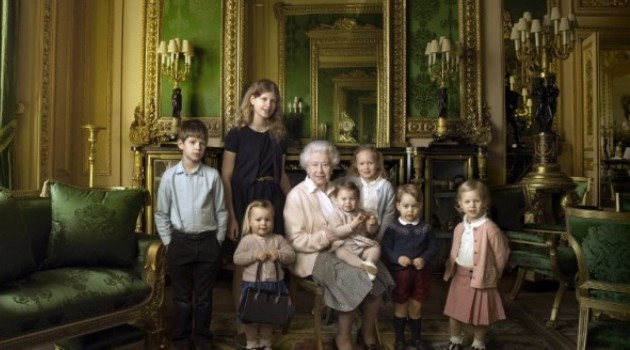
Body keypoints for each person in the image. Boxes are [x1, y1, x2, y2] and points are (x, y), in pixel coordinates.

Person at [283, 140, 394, 350]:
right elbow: (296, 241)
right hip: (313, 256)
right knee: (352, 277)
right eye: (314, 164)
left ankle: (367, 332)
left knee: (379, 274)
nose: (320, 170)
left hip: (347, 249)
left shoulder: (340, 190)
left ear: (333, 166)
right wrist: (328, 237)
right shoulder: (296, 196)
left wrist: (368, 224)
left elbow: (356, 224)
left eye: (325, 164)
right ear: (306, 166)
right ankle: (342, 338)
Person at [221, 79, 292, 337]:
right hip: (243, 199)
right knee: (244, 262)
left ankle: (270, 316)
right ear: (252, 100)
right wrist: (231, 214)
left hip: (271, 197)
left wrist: (292, 202)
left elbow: (282, 174)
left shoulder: (278, 135)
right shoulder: (237, 134)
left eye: (273, 101)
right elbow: (226, 175)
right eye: (263, 99)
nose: (268, 105)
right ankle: (244, 321)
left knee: (274, 258)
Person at [154, 119, 227, 350]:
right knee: (182, 298)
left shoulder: (213, 176)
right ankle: (181, 339)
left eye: (202, 143)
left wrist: (218, 241)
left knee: (204, 298)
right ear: (180, 144)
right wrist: (169, 242)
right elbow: (161, 213)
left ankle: (203, 338)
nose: (198, 147)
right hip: (180, 243)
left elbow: (221, 211)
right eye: (193, 142)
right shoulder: (169, 178)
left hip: (208, 243)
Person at [443, 180, 510, 350]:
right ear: (460, 204)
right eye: (467, 201)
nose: (472, 205)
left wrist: (495, 274)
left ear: (485, 203)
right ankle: (455, 339)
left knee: (481, 314)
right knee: (454, 311)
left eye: (476, 201)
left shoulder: (490, 228)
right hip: (460, 275)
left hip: (482, 277)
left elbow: (502, 254)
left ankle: (478, 343)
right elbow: (455, 251)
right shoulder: (459, 227)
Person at [233, 200, 296, 350]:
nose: (263, 223)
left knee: (269, 318)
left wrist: (279, 254)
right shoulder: (247, 240)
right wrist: (255, 255)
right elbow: (237, 258)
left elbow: (291, 255)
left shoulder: (278, 239)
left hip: (275, 286)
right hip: (252, 287)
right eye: (258, 219)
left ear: (273, 220)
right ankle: (251, 344)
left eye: (267, 219)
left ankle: (266, 344)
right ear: (249, 221)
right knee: (251, 319)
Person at [381, 184, 437, 350]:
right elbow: (386, 248)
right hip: (400, 275)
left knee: (416, 306)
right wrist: (397, 258)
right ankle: (399, 339)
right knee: (401, 306)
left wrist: (424, 259)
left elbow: (432, 247)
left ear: (420, 206)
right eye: (406, 206)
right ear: (398, 206)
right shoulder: (393, 228)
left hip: (420, 275)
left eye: (414, 206)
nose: (410, 210)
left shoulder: (426, 228)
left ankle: (417, 338)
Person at [327, 181, 380, 281]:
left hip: (361, 245)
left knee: (375, 248)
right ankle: (362, 265)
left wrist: (372, 224)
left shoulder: (362, 212)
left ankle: (369, 262)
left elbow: (370, 232)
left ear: (358, 199)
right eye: (343, 199)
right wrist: (352, 225)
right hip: (345, 245)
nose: (348, 202)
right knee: (340, 253)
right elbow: (337, 232)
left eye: (352, 199)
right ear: (336, 200)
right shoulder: (335, 215)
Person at [344, 145, 396, 241]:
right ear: (356, 165)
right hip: (352, 229)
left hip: (376, 230)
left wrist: (380, 238)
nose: (366, 167)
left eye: (370, 163)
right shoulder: (350, 181)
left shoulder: (385, 186)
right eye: (362, 163)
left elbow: (389, 215)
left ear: (377, 164)